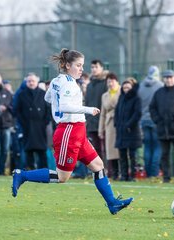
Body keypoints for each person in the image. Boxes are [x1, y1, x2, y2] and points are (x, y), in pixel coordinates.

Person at [12, 49, 133, 215]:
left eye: (82, 65)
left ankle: (112, 203)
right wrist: (88, 109)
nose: (81, 69)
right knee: (62, 177)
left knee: (98, 165)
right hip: (68, 130)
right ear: (67, 65)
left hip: (78, 131)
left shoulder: (57, 80)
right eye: (78, 65)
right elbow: (63, 106)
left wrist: (60, 101)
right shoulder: (69, 83)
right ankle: (22, 175)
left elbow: (48, 98)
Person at [150, 70, 174, 183]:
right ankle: (166, 176)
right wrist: (157, 120)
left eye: (170, 77)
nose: (168, 79)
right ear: (163, 79)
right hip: (163, 129)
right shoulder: (159, 93)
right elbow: (152, 108)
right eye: (166, 77)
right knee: (164, 155)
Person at [16, 73, 51, 169]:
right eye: (29, 81)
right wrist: (23, 123)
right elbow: (18, 111)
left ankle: (44, 171)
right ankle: (30, 170)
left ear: (37, 81)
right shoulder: (21, 95)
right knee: (28, 151)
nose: (31, 83)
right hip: (27, 127)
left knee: (42, 151)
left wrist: (45, 122)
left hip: (40, 128)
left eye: (33, 81)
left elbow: (48, 110)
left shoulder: (43, 94)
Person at [114, 78, 142, 181]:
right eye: (124, 87)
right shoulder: (121, 98)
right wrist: (116, 124)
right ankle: (124, 175)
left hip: (131, 131)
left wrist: (128, 125)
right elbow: (117, 112)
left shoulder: (136, 98)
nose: (126, 89)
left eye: (128, 87)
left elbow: (137, 114)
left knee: (132, 155)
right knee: (122, 154)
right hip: (121, 131)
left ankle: (133, 175)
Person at [138, 66, 163, 178]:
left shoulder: (141, 86)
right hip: (155, 120)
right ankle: (154, 172)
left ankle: (148, 172)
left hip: (143, 120)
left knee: (147, 147)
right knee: (157, 147)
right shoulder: (160, 86)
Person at [98, 72, 121, 180]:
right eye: (108, 82)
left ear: (117, 81)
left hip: (120, 123)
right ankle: (114, 173)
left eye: (112, 81)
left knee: (121, 150)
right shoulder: (104, 96)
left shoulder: (122, 92)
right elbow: (102, 113)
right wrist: (100, 129)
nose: (110, 83)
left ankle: (124, 172)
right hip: (109, 125)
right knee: (110, 151)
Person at [84, 60, 108, 161]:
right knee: (95, 148)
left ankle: (109, 170)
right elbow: (87, 103)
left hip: (103, 121)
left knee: (106, 148)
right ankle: (99, 170)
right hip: (91, 122)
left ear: (102, 68)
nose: (93, 69)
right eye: (92, 67)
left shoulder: (106, 83)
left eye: (96, 67)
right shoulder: (89, 85)